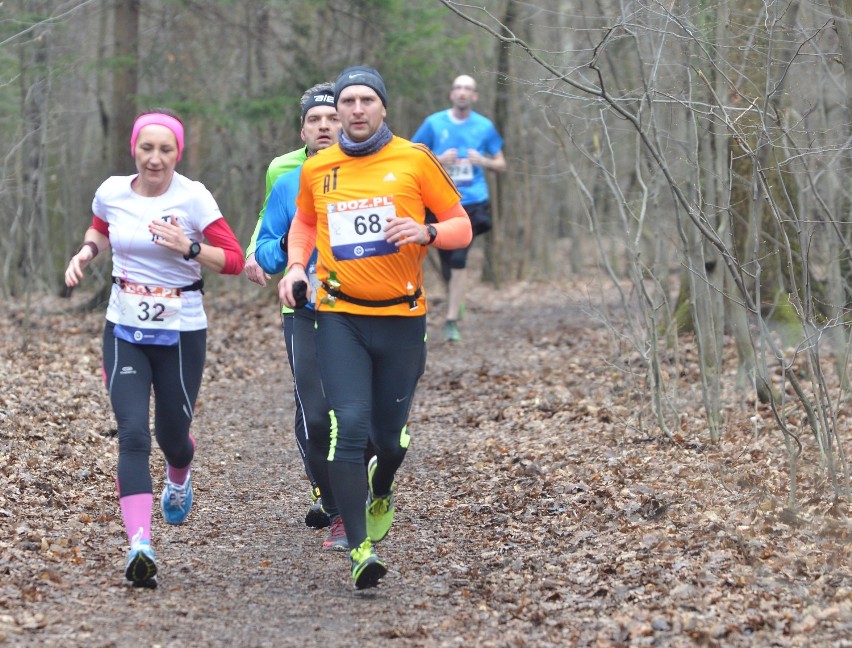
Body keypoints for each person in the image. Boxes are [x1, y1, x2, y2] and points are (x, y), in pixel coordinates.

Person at [279, 65, 473, 589]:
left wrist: (426, 230)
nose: (357, 109)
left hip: (403, 319)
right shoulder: (319, 168)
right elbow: (305, 222)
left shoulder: (414, 159)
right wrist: (297, 266)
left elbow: (462, 225)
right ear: (337, 110)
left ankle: (381, 485)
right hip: (341, 316)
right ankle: (360, 548)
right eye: (348, 102)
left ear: (383, 107)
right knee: (348, 427)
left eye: (367, 100)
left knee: (389, 442)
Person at [64, 109, 245, 588]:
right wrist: (85, 252)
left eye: (166, 150)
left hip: (182, 331)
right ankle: (139, 543)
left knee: (171, 434)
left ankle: (180, 469)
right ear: (134, 149)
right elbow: (100, 227)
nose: (156, 159)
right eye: (148, 148)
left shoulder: (194, 197)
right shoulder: (112, 190)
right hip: (124, 327)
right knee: (132, 434)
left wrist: (189, 248)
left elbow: (232, 259)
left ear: (177, 153)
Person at [252, 82, 349, 550]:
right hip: (305, 312)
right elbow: (267, 245)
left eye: (332, 117)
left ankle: (359, 494)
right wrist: (290, 252)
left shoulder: (369, 176)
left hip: (361, 311)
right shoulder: (288, 182)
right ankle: (335, 508)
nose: (325, 126)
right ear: (303, 130)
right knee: (315, 416)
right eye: (315, 120)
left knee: (356, 415)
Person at [411, 74, 506, 342]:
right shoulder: (433, 123)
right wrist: (438, 159)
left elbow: (501, 164)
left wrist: (484, 161)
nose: (462, 92)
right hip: (439, 201)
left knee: (459, 258)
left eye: (468, 89)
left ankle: (451, 320)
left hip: (473, 201)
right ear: (451, 94)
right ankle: (457, 296)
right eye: (458, 88)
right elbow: (411, 156)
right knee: (446, 261)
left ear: (474, 97)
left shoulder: (484, 126)